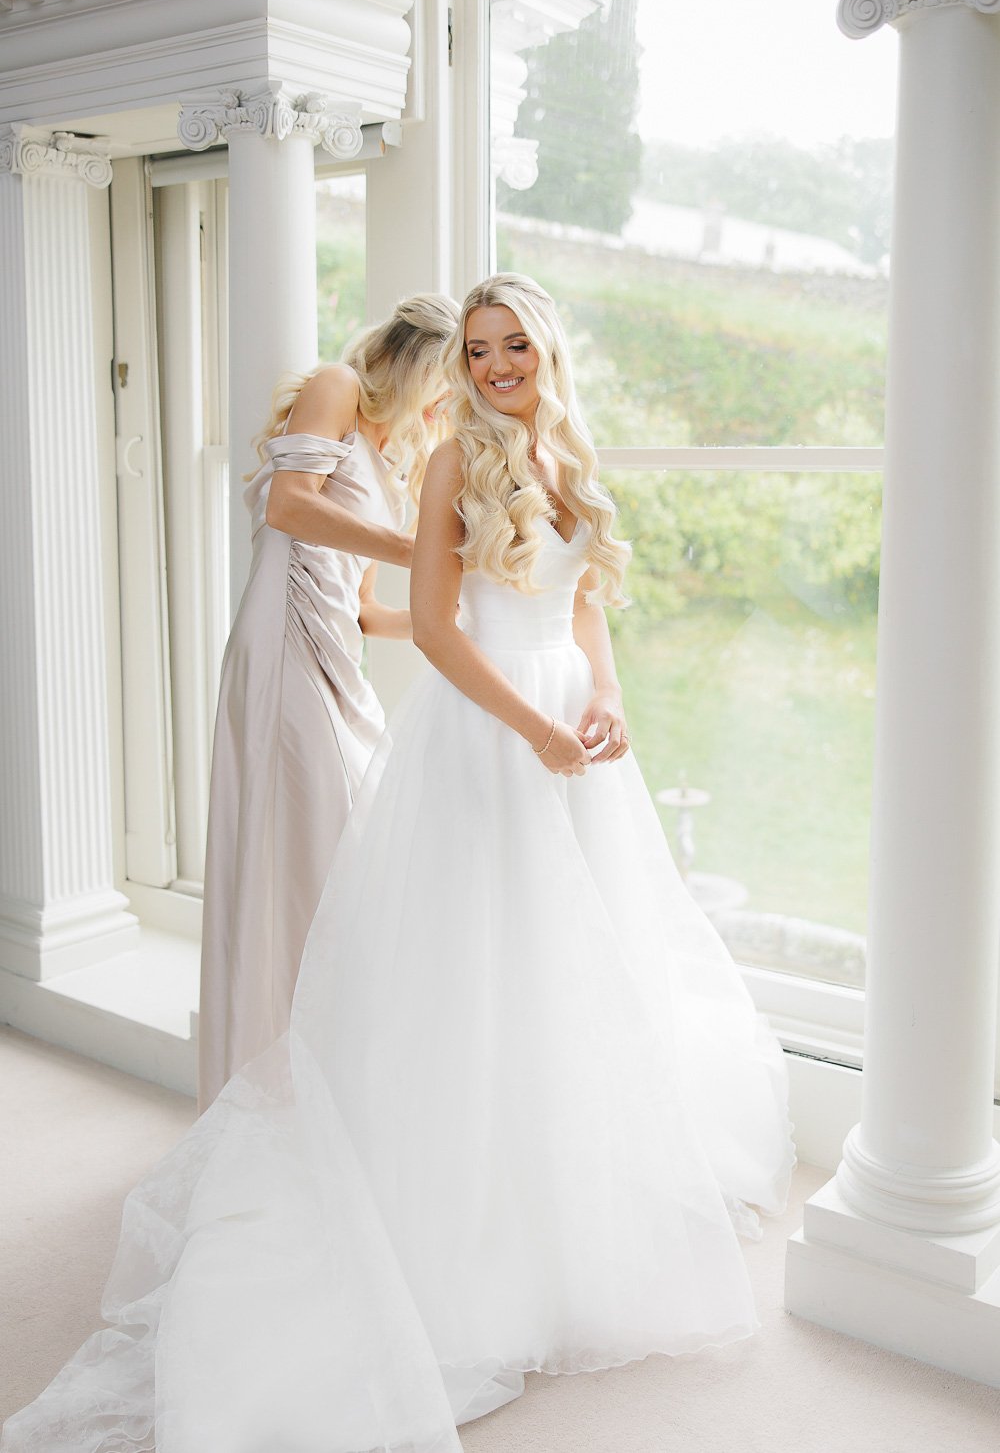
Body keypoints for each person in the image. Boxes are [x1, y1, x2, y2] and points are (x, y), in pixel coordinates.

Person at [0, 275, 793, 1453]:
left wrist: (607, 700)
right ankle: (471, 1230)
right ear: (459, 366)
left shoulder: (573, 461)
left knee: (581, 972)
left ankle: (566, 1206)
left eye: (513, 344)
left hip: (573, 732)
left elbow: (584, 609)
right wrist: (528, 728)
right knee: (479, 974)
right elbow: (430, 624)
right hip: (485, 735)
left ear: (546, 349)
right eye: (477, 351)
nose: (495, 365)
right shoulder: (443, 465)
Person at [198, 293, 458, 1110]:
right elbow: (289, 504)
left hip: (337, 659)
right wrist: (423, 550)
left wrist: (463, 615)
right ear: (420, 365)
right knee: (301, 853)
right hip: (281, 646)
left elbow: (366, 608)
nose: (454, 402)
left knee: (346, 853)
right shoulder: (337, 384)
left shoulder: (397, 462)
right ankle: (270, 1087)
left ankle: (337, 1076)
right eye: (452, 379)